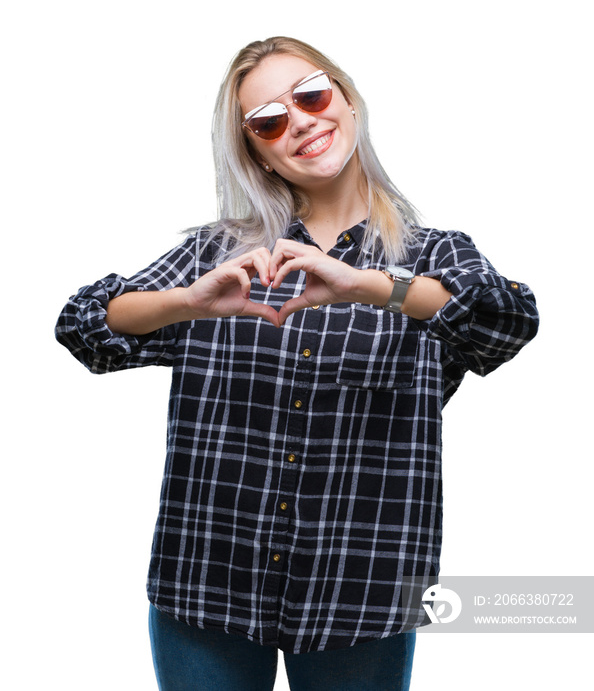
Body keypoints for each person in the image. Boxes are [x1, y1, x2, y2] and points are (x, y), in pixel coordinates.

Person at [55, 36, 539, 690]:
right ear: (257, 151)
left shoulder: (434, 255)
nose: (301, 122)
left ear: (347, 100)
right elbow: (83, 328)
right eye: (269, 121)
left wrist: (369, 286)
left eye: (311, 95)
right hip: (206, 591)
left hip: (362, 597)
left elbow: (506, 323)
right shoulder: (219, 256)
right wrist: (187, 302)